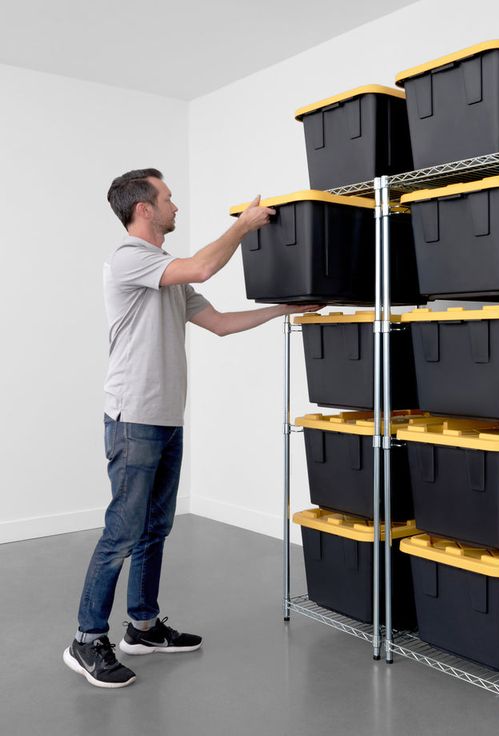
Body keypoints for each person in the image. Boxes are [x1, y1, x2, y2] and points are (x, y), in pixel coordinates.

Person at [63, 168, 321, 688]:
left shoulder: (164, 273)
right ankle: (87, 640)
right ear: (144, 209)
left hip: (163, 418)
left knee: (156, 529)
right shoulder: (130, 258)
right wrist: (244, 226)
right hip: (133, 418)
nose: (175, 207)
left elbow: (221, 324)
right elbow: (203, 268)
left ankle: (142, 626)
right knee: (122, 534)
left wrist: (284, 310)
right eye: (168, 198)